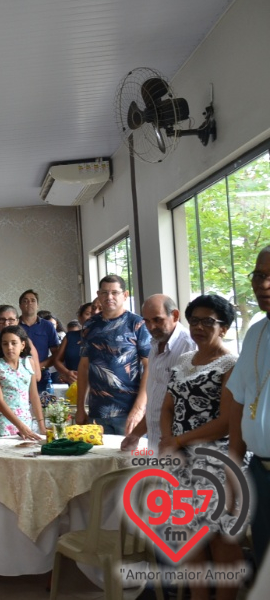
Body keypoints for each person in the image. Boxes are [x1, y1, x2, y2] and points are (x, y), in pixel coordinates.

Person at [159, 295, 240, 600]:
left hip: (216, 463)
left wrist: (178, 441)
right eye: (194, 320)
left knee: (221, 539)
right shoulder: (183, 361)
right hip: (180, 463)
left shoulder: (231, 364)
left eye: (209, 321)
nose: (199, 327)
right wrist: (170, 443)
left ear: (225, 327)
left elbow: (227, 421)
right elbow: (168, 407)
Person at [227, 246, 270, 570]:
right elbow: (240, 404)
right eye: (259, 275)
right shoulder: (256, 332)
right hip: (260, 471)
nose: (263, 285)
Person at [75, 275, 152, 434]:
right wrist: (80, 407)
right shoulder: (90, 325)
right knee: (99, 457)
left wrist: (139, 408)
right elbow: (83, 368)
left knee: (131, 457)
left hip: (129, 412)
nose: (109, 297)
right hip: (97, 411)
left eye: (115, 293)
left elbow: (149, 367)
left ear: (125, 295)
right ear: (98, 295)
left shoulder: (137, 324)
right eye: (104, 293)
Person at [121, 295, 195, 453]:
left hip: (181, 445)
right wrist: (135, 435)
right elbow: (156, 403)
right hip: (156, 443)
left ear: (175, 315)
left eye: (157, 320)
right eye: (146, 321)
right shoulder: (154, 345)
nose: (151, 326)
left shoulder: (190, 347)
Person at [0, 326, 45, 440]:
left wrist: (41, 426)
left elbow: (34, 396)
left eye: (14, 343)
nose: (9, 347)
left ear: (22, 345)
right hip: (3, 422)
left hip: (26, 421)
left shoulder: (29, 362)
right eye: (5, 344)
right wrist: (20, 426)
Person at [17, 290, 60, 393]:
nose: (29, 303)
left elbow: (57, 354)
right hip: (18, 375)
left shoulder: (47, 326)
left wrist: (38, 367)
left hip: (42, 375)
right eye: (25, 301)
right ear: (20, 306)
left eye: (33, 300)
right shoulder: (15, 326)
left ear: (38, 305)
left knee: (41, 406)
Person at [52, 303, 94, 384]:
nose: (91, 317)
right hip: (73, 383)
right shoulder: (70, 336)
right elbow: (57, 360)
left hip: (97, 385)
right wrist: (67, 373)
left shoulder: (104, 339)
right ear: (80, 318)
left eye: (94, 314)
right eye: (88, 314)